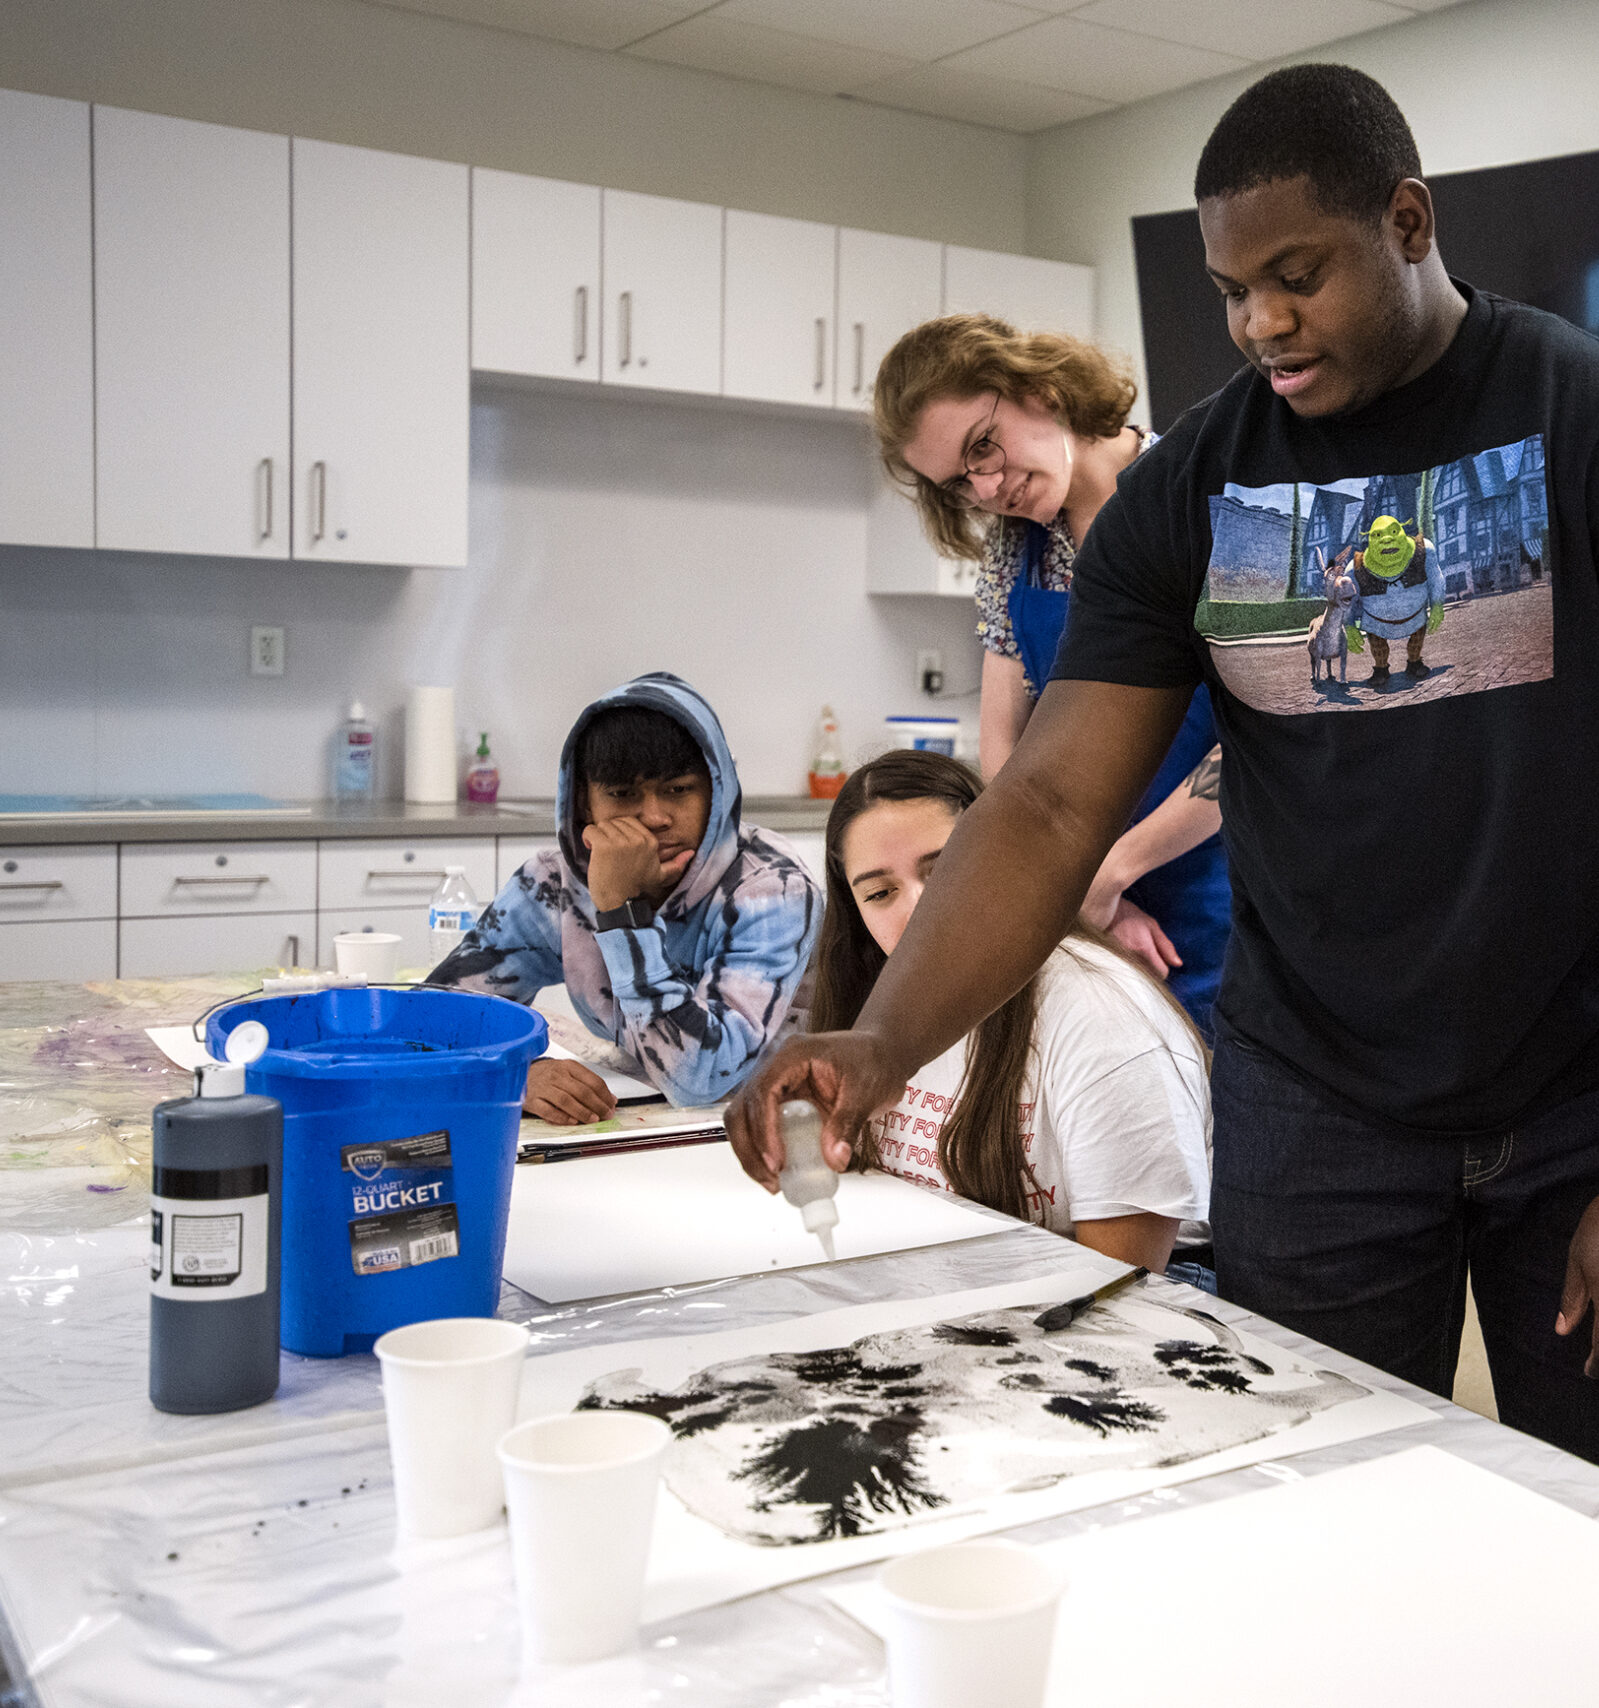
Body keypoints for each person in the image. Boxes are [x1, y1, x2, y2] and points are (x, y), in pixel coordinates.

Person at [731, 63, 1599, 1496]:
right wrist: (883, 1045)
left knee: (1591, 1511)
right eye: (1234, 289)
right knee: (1317, 1497)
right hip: (1318, 1110)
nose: (1261, 324)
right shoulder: (1193, 493)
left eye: (1299, 275)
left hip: (1583, 1100)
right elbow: (1045, 804)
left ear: (1408, 223)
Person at [873, 314, 1230, 1038]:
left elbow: (1259, 742)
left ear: (1039, 386)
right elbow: (1008, 758)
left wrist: (1111, 869)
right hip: (1094, 911)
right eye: (960, 481)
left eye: (984, 445)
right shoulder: (1020, 550)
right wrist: (1083, 892)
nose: (989, 485)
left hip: (1231, 895)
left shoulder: (1199, 497)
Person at [731, 749, 1211, 1275]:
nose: (919, 910)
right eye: (880, 892)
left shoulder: (1101, 1013)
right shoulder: (863, 1004)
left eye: (946, 871)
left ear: (1004, 863)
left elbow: (1120, 1285)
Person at [429, 672, 824, 1120]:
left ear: (717, 792)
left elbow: (702, 1078)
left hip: (771, 1122)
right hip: (644, 1121)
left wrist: (622, 911)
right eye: (622, 794)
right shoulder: (555, 883)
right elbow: (437, 1019)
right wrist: (515, 1074)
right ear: (584, 805)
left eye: (678, 790)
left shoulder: (772, 890)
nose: (655, 816)